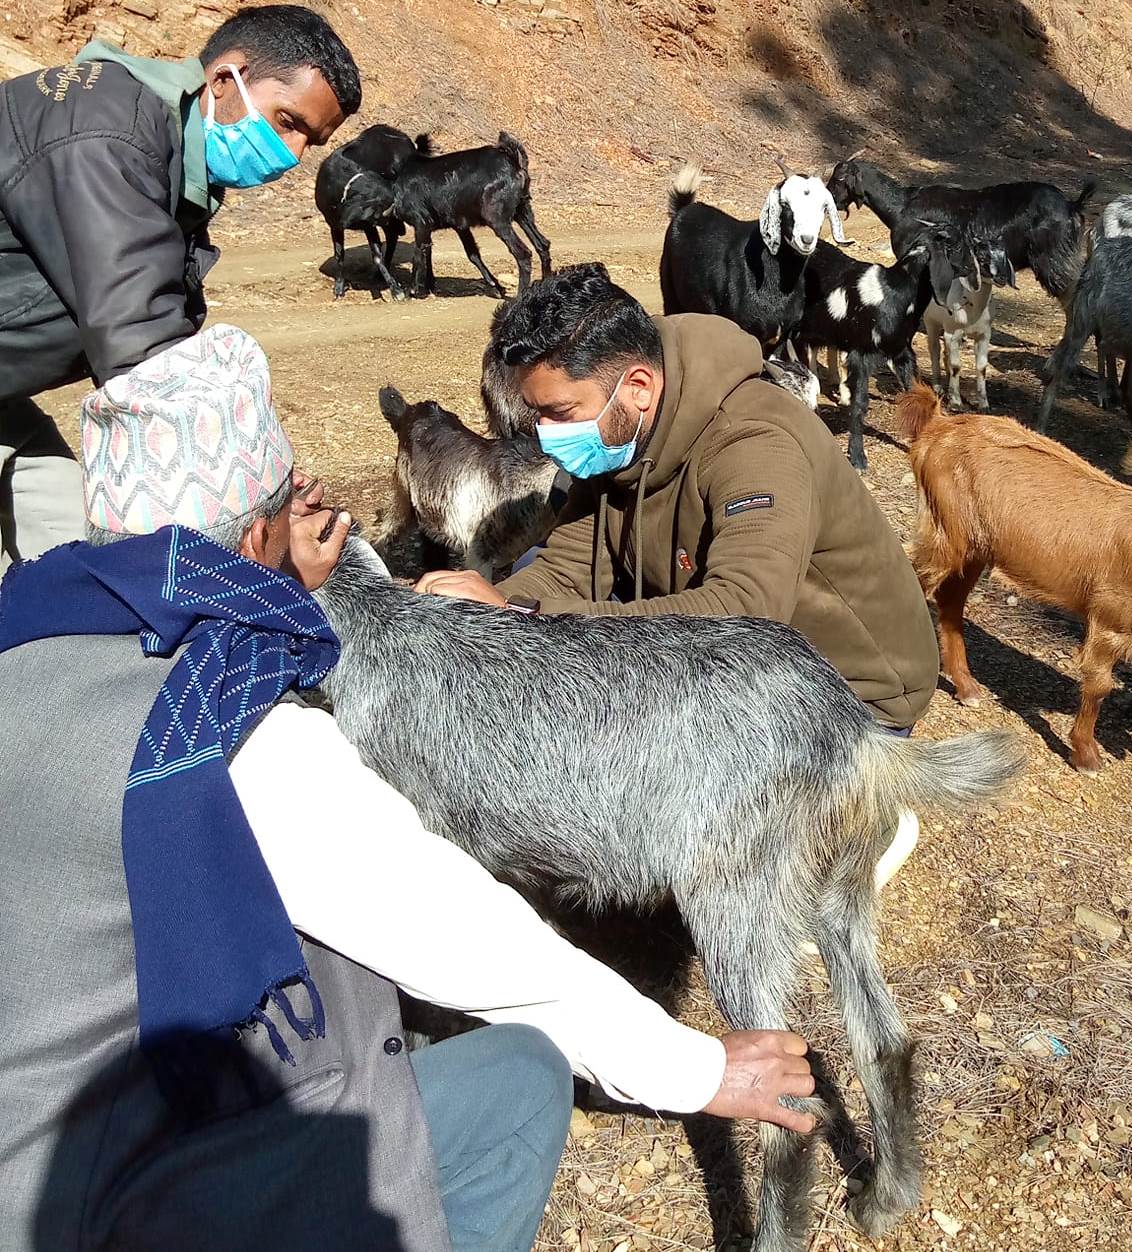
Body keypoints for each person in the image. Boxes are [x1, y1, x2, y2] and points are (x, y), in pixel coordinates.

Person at [0, 325, 817, 1252]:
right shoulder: (221, 734)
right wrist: (694, 1067)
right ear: (263, 532)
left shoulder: (24, 636)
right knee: (518, 1078)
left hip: (35, 1134)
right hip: (115, 1197)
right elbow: (453, 928)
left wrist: (273, 581)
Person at [415, 263, 941, 884]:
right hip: (737, 670)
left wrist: (529, 622)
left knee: (682, 853)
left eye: (558, 412)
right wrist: (489, 614)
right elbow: (566, 567)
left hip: (846, 689)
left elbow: (746, 612)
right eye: (538, 416)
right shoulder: (617, 432)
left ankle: (860, 821)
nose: (547, 437)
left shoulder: (756, 441)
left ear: (636, 386)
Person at [0, 4, 360, 570]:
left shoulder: (166, 158)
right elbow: (144, 351)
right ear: (223, 80)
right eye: (288, 122)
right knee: (75, 585)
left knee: (63, 546)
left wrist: (264, 465)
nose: (293, 156)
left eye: (311, 142)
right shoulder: (107, 135)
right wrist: (262, 501)